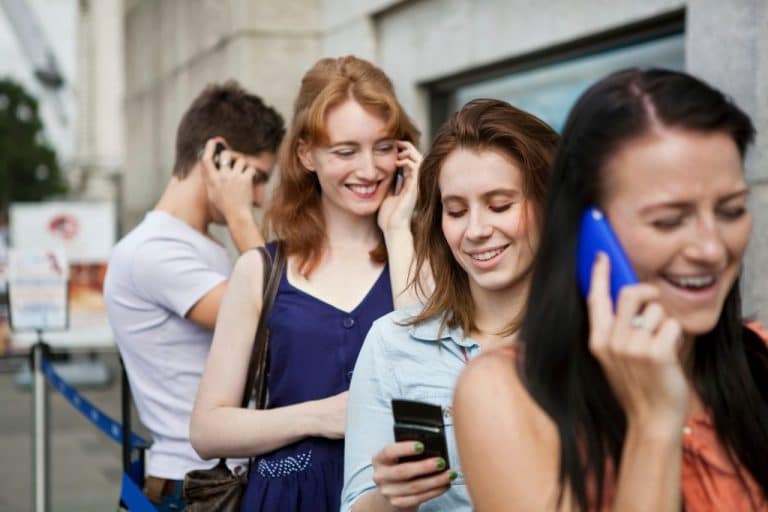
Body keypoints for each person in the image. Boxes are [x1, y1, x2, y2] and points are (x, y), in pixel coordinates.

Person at [454, 68, 768, 511]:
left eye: (731, 210)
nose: (711, 249)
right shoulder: (504, 396)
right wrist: (653, 422)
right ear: (586, 232)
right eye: (668, 220)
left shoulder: (759, 359)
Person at [189, 55, 423, 512]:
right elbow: (206, 430)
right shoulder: (261, 269)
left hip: (393, 501)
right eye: (345, 151)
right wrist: (320, 416)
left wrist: (399, 231)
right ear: (306, 155)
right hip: (284, 497)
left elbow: (425, 381)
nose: (370, 168)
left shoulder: (419, 256)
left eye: (383, 147)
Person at [341, 98, 559, 511]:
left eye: (500, 206)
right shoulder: (393, 341)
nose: (476, 230)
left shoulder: (601, 336)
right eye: (456, 211)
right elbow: (355, 503)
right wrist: (390, 498)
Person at [103, 81, 284, 510]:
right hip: (197, 485)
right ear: (216, 155)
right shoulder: (155, 252)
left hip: (216, 477)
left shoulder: (198, 245)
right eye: (256, 178)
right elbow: (277, 318)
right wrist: (240, 218)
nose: (258, 198)